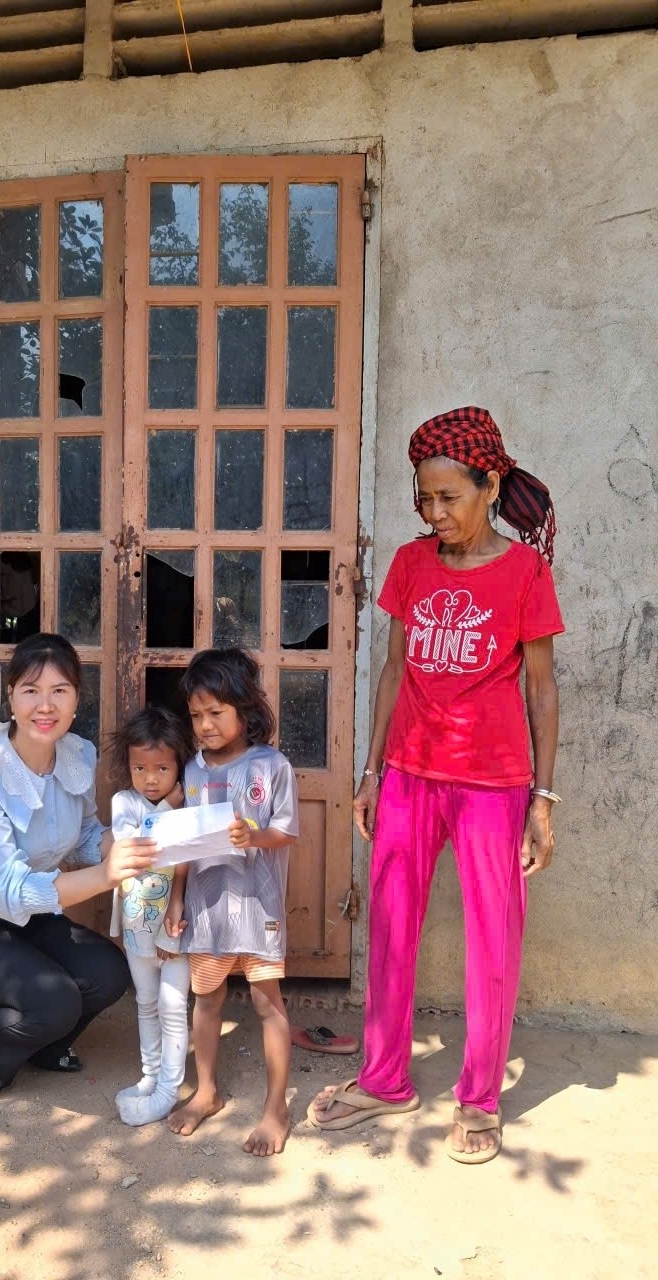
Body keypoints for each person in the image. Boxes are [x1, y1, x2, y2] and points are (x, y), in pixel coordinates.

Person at [309, 405, 563, 1164]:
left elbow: (542, 690)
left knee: (494, 940)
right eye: (424, 498)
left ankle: (479, 1097)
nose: (435, 513)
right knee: (391, 928)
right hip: (410, 776)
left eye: (450, 496)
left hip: (493, 783)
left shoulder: (526, 572)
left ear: (490, 487)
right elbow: (393, 669)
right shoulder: (411, 564)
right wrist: (371, 771)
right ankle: (384, 1078)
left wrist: (542, 802)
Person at [0, 633, 157, 1107]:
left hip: (29, 919)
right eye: (31, 690)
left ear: (76, 699)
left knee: (108, 974)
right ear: (11, 696)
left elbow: (85, 833)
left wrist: (120, 846)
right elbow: (7, 888)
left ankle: (42, 1044)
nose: (45, 706)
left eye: (59, 691)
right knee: (55, 999)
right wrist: (106, 876)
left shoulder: (78, 755)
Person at [165, 647, 299, 1157]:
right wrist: (177, 898)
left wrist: (254, 836)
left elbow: (287, 831)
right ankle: (206, 1092)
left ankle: (275, 1108)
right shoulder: (192, 771)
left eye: (216, 712)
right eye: (196, 715)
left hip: (258, 908)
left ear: (245, 708)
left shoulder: (273, 765)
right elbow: (183, 843)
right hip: (207, 909)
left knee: (267, 1003)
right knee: (207, 999)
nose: (204, 725)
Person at [108, 705, 193, 1126]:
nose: (151, 779)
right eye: (140, 768)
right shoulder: (123, 802)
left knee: (172, 1004)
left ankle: (169, 1089)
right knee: (145, 1002)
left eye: (162, 768)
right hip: (136, 925)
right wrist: (169, 808)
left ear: (179, 764)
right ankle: (150, 1076)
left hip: (176, 924)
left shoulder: (190, 803)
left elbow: (186, 860)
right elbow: (137, 845)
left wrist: (177, 806)